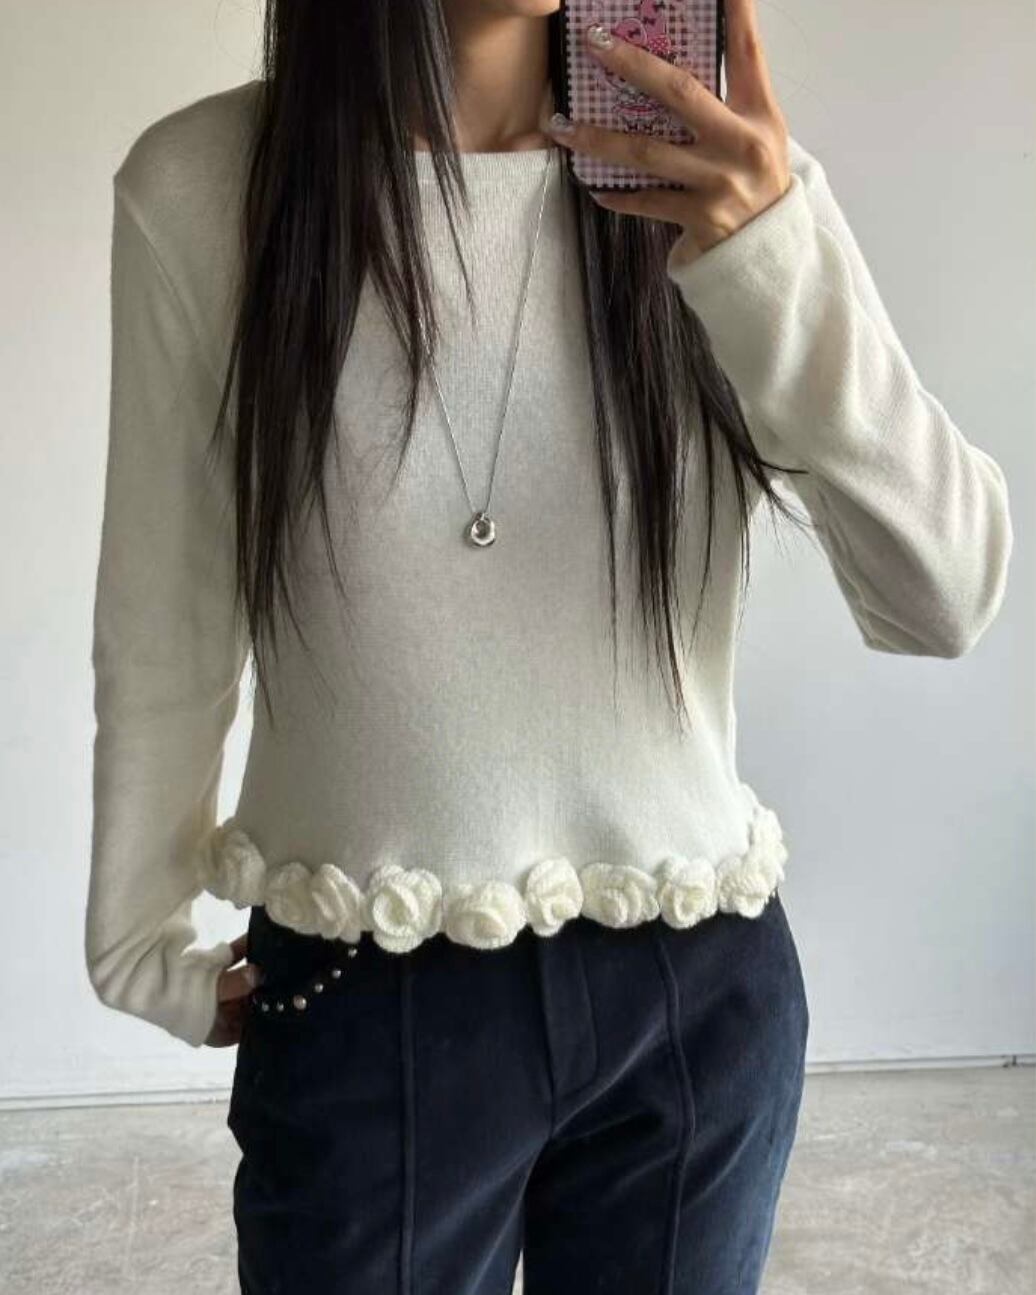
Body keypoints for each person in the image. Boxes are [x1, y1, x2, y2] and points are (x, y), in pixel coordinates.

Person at [84, 2, 1013, 1292]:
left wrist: (773, 256)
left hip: (697, 979)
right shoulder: (206, 186)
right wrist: (138, 935)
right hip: (368, 976)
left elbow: (945, 596)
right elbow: (165, 608)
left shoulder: (719, 179)